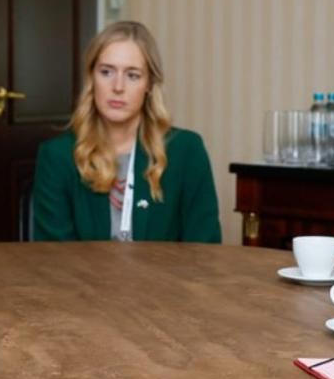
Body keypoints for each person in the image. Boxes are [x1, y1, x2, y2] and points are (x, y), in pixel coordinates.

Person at [31, 21, 221, 242]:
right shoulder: (57, 156)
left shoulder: (186, 151)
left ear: (149, 84)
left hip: (166, 277)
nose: (118, 87)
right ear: (92, 77)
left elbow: (205, 249)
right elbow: (55, 258)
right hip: (83, 277)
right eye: (106, 72)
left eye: (132, 75)